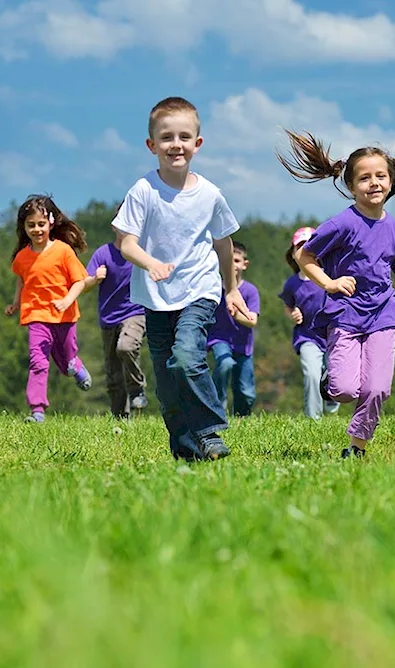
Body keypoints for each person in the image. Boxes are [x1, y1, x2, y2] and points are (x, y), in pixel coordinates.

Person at [277, 130, 395, 458]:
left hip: (383, 315)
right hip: (345, 315)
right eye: (364, 178)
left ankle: (357, 447)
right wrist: (330, 284)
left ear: (391, 181)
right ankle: (330, 379)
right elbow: (305, 257)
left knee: (377, 388)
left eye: (381, 176)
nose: (374, 183)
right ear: (351, 186)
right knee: (345, 390)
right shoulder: (341, 225)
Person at [112, 96, 248, 462]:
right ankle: (187, 451)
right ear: (151, 144)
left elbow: (223, 243)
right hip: (155, 297)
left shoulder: (210, 194)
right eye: (167, 137)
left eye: (184, 137)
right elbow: (125, 243)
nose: (176, 144)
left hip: (198, 290)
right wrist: (151, 263)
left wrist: (231, 289)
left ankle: (210, 431)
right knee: (168, 381)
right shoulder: (143, 190)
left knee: (186, 358)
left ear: (197, 144)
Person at [5, 196, 105, 423]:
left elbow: (79, 281)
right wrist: (16, 303)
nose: (36, 229)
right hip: (36, 316)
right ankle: (37, 410)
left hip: (64, 315)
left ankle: (75, 365)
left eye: (41, 224)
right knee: (38, 362)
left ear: (50, 223)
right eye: (31, 225)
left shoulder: (63, 251)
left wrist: (67, 300)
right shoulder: (22, 257)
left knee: (66, 360)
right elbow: (21, 281)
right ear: (24, 227)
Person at [87, 226, 149, 420]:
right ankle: (120, 419)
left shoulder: (143, 253)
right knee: (113, 375)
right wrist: (95, 279)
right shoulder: (103, 253)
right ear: (114, 226)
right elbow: (84, 282)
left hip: (136, 312)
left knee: (126, 347)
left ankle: (137, 388)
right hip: (108, 318)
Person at [278, 226, 340, 420]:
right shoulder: (292, 283)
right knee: (312, 374)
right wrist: (293, 313)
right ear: (293, 254)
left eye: (310, 245)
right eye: (300, 246)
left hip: (332, 335)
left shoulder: (329, 275)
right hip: (306, 337)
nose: (305, 250)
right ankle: (314, 419)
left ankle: (331, 397)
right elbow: (288, 306)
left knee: (335, 373)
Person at [207, 240, 260, 417]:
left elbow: (252, 321)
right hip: (219, 339)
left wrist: (236, 314)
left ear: (245, 264)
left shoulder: (250, 291)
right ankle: (218, 410)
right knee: (224, 363)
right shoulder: (213, 289)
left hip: (243, 345)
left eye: (237, 261)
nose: (233, 265)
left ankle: (242, 418)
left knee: (246, 392)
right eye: (229, 260)